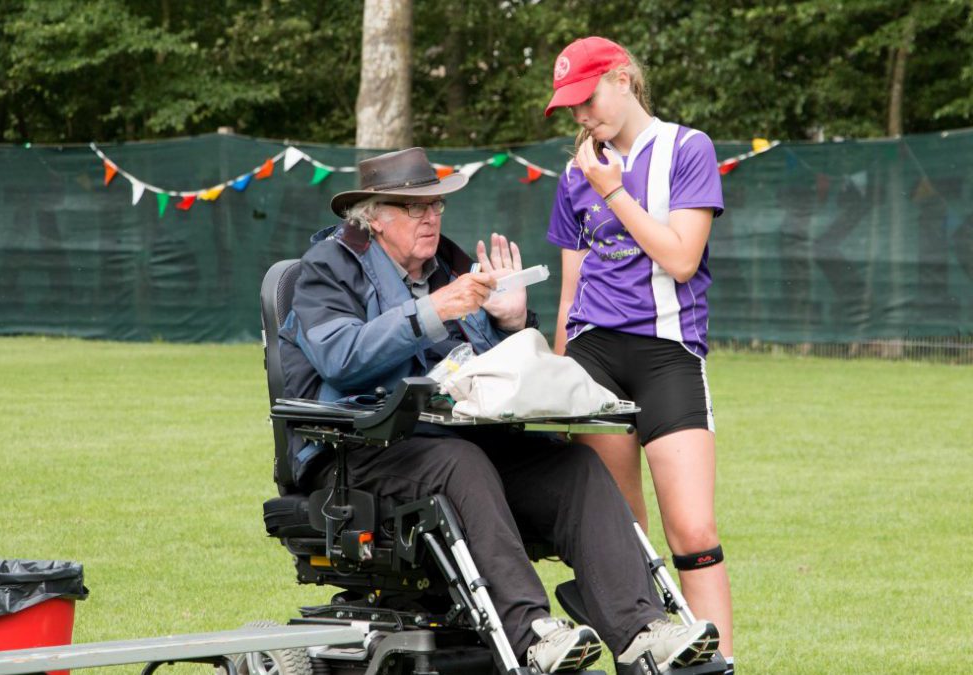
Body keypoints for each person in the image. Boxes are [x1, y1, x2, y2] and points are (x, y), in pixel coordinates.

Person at [279, 147, 720, 672]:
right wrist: (431, 311)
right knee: (460, 464)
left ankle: (641, 628)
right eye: (415, 207)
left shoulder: (450, 266)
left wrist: (511, 323)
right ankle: (532, 633)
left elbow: (483, 373)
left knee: (575, 466)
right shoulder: (326, 268)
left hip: (458, 443)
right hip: (358, 451)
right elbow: (340, 358)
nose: (431, 217)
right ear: (374, 218)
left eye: (436, 206)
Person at [543, 37, 734, 672]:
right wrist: (558, 375)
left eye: (587, 98)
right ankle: (644, 659)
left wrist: (614, 191)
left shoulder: (688, 148)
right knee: (621, 537)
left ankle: (719, 664)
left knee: (694, 532)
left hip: (667, 356)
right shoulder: (575, 171)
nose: (580, 115)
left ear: (623, 80)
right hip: (593, 358)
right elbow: (571, 285)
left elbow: (681, 259)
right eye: (570, 106)